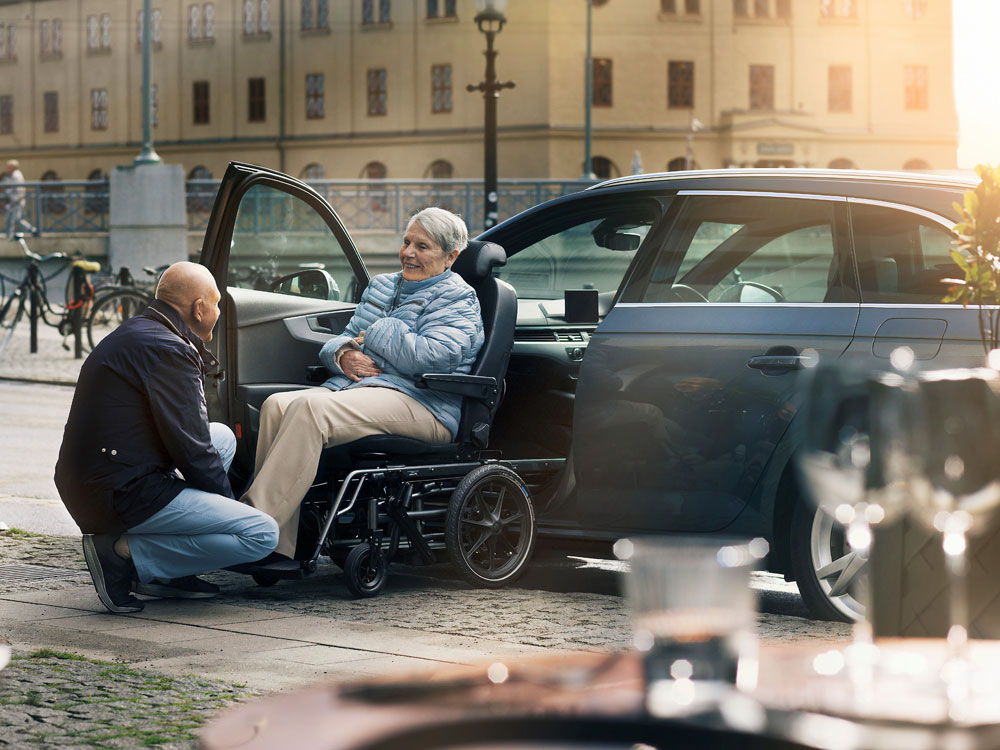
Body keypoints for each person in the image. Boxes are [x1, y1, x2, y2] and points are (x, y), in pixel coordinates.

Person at [243, 207, 484, 560]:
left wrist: (378, 333)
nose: (409, 253)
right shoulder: (384, 285)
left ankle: (251, 528)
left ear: (451, 257)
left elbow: (432, 357)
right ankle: (277, 543)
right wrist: (343, 355)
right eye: (406, 242)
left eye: (423, 246)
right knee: (275, 405)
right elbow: (345, 340)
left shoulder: (459, 297)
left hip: (426, 402)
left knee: (311, 408)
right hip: (368, 389)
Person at [55, 261, 279, 614]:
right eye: (216, 303)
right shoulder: (168, 349)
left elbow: (193, 441)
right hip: (120, 492)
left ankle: (167, 573)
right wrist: (229, 511)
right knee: (261, 534)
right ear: (199, 307)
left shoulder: (143, 330)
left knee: (221, 436)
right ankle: (121, 553)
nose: (218, 311)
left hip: (98, 477)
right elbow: (192, 449)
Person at [3, 160, 38, 239]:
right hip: (13, 201)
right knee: (13, 219)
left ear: (13, 167)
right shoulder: (11, 175)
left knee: (13, 219)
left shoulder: (16, 176)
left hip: (16, 201)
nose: (7, 169)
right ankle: (31, 230)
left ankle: (31, 230)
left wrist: (14, 201)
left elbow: (19, 189)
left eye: (9, 167)